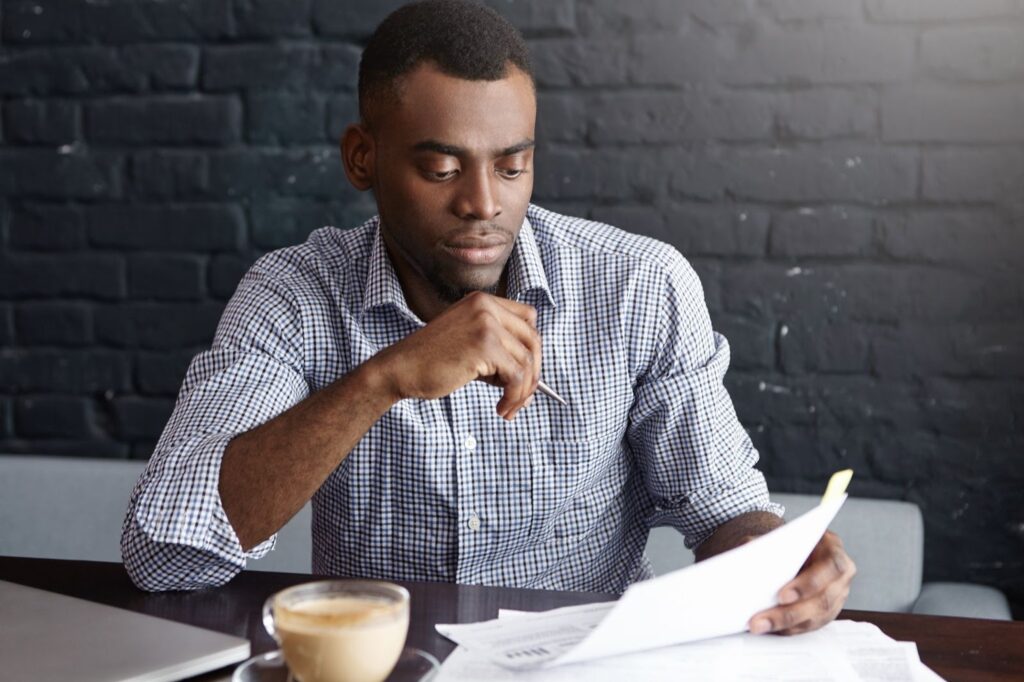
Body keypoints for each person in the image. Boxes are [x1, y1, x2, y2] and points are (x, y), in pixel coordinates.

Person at [121, 0, 855, 636]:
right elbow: (165, 556)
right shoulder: (294, 296)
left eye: (511, 167)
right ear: (361, 158)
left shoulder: (639, 286)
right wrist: (385, 379)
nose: (483, 203)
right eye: (441, 169)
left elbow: (724, 511)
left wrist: (782, 564)